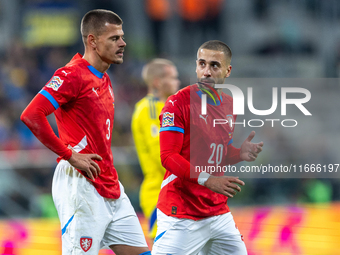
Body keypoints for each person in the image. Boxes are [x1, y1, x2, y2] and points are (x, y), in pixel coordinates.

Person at [20, 9, 150, 255]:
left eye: (122, 37)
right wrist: (69, 154)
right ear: (92, 41)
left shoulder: (104, 78)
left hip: (110, 184)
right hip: (80, 183)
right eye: (114, 38)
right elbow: (31, 114)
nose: (123, 43)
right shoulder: (72, 74)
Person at [152, 40, 264, 254]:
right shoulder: (177, 104)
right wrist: (208, 180)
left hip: (217, 212)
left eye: (214, 65)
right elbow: (168, 156)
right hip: (181, 213)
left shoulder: (230, 105)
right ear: (196, 66)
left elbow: (218, 153)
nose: (206, 72)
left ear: (227, 70)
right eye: (202, 64)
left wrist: (239, 153)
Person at [131, 59, 180, 240]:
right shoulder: (148, 109)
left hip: (177, 191)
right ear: (158, 82)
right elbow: (162, 155)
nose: (178, 82)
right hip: (161, 193)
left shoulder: (171, 108)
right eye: (173, 78)